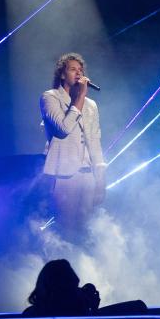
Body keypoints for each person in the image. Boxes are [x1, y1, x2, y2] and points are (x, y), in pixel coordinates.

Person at [40, 52, 105, 237]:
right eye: (73, 69)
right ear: (62, 74)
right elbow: (63, 128)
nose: (78, 73)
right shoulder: (50, 97)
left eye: (81, 70)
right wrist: (80, 97)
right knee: (65, 227)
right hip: (64, 175)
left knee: (86, 228)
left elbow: (94, 140)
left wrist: (100, 177)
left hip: (88, 174)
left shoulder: (91, 105)